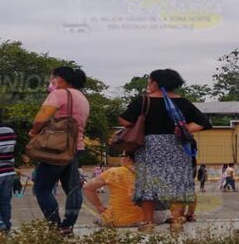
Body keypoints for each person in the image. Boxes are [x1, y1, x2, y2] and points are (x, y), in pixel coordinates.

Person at [120, 69, 211, 233]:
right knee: (177, 183)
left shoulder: (143, 102)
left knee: (148, 184)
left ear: (155, 83)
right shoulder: (183, 102)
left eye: (149, 81)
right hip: (177, 146)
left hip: (150, 146)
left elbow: (124, 120)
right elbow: (202, 122)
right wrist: (184, 130)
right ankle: (176, 221)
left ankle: (147, 223)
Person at [29, 66, 90, 236]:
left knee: (42, 188)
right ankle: (67, 226)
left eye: (52, 78)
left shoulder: (58, 94)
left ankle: (55, 225)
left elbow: (40, 118)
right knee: (72, 189)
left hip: (57, 149)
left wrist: (34, 132)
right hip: (75, 148)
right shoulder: (82, 98)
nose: (51, 81)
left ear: (60, 79)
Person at [82, 151, 144, 227]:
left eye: (122, 155)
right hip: (142, 219)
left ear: (128, 158)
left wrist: (99, 206)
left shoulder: (114, 172)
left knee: (97, 219)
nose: (120, 158)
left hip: (115, 219)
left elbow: (87, 188)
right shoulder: (148, 173)